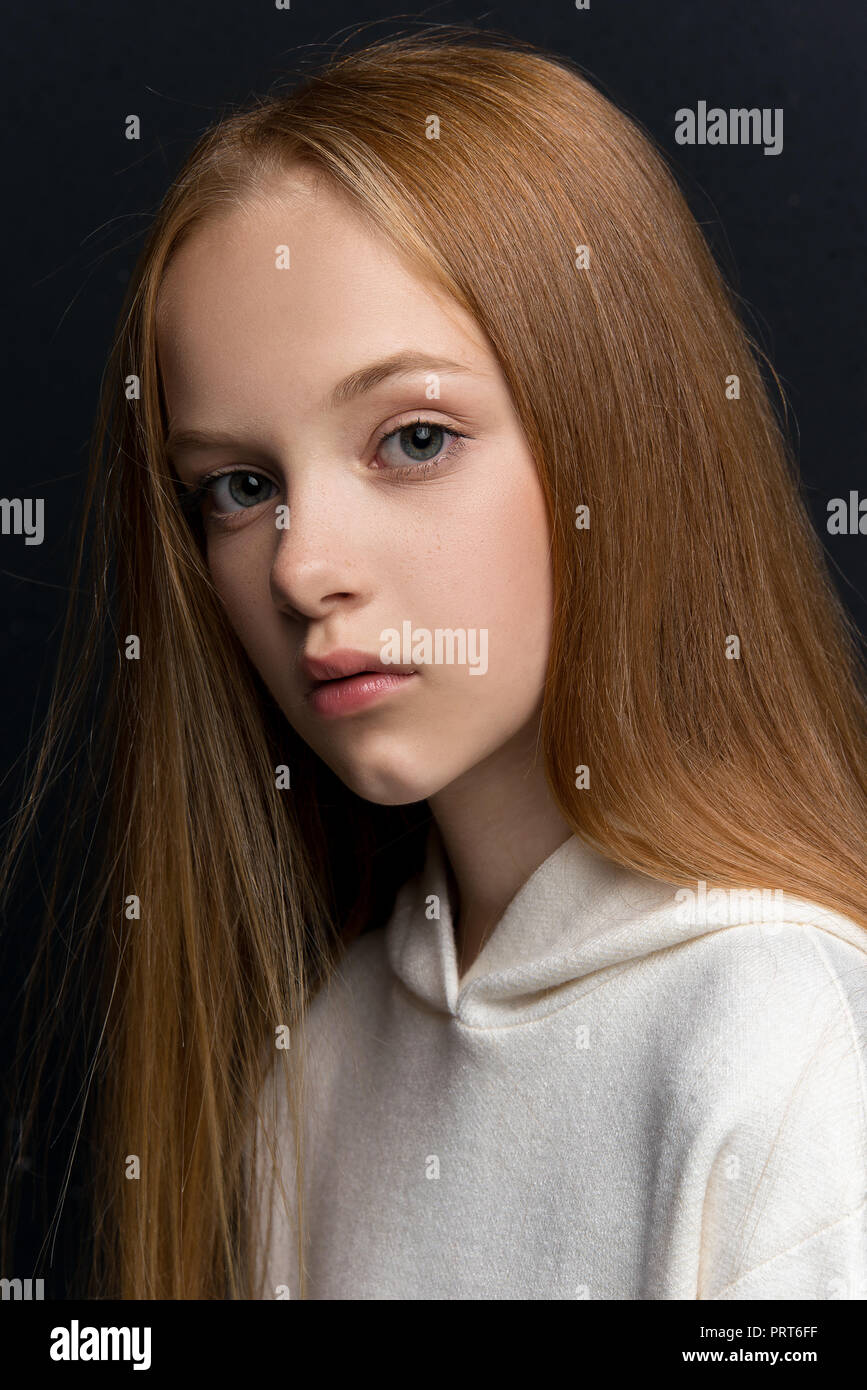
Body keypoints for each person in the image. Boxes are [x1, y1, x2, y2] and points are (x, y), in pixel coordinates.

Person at [4, 27, 867, 1300]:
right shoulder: (323, 1062)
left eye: (412, 439)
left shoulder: (780, 1039)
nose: (303, 569)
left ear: (616, 436)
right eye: (238, 488)